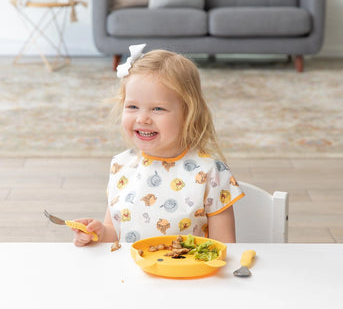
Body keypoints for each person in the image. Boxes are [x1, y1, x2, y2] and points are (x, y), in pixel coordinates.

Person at [72, 44, 245, 247]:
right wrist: (99, 233)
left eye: (158, 108)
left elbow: (224, 247)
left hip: (187, 277)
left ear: (188, 114)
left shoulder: (210, 173)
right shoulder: (121, 166)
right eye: (133, 107)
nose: (143, 118)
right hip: (130, 275)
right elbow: (116, 232)